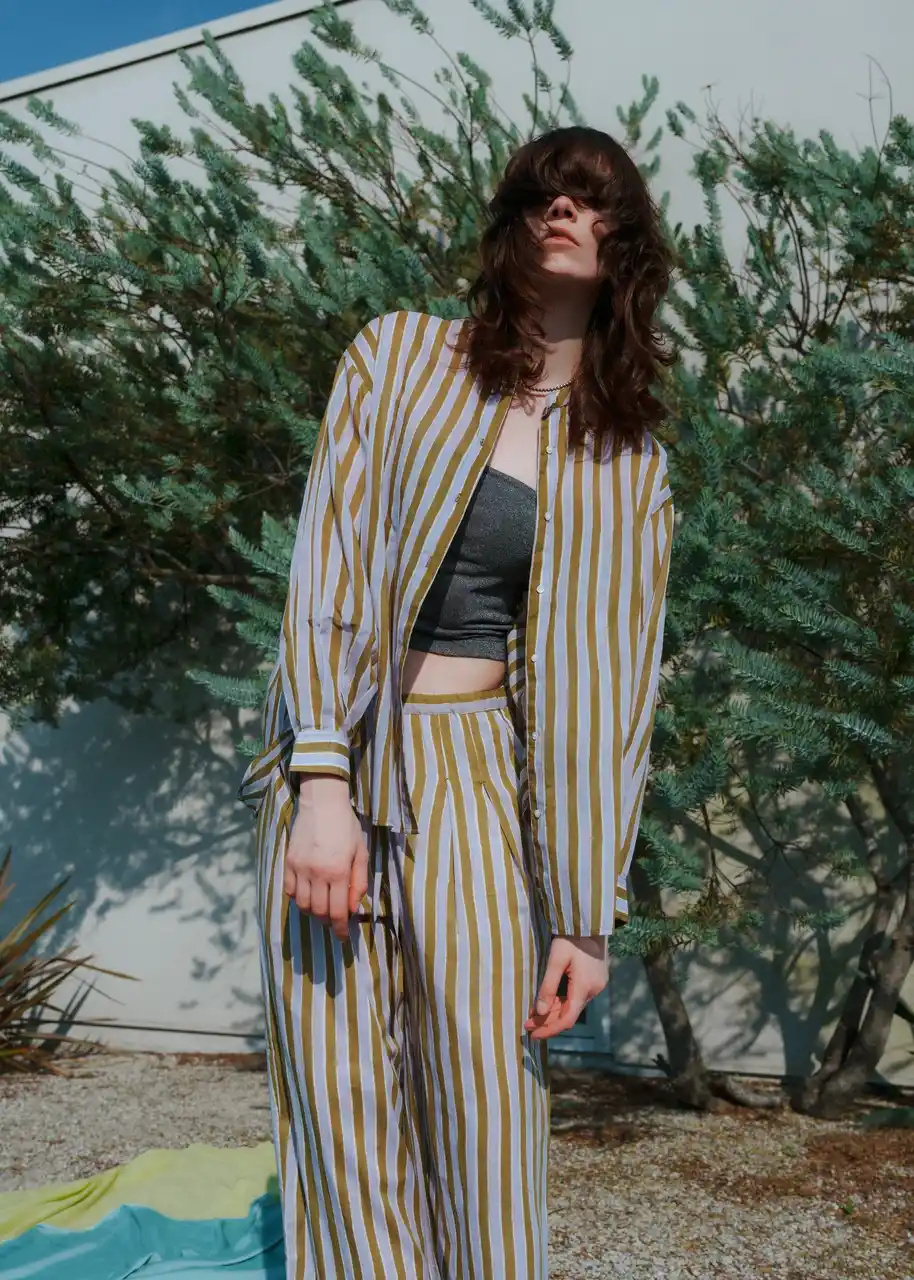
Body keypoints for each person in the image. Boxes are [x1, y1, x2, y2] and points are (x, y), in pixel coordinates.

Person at [239, 124, 676, 1280]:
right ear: (509, 222)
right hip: (338, 761)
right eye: (544, 192)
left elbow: (608, 689)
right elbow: (327, 564)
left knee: (485, 1103)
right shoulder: (398, 359)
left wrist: (582, 914)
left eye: (592, 198)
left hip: (471, 774)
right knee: (339, 1105)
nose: (563, 211)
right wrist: (319, 780)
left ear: (626, 244)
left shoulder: (624, 458)